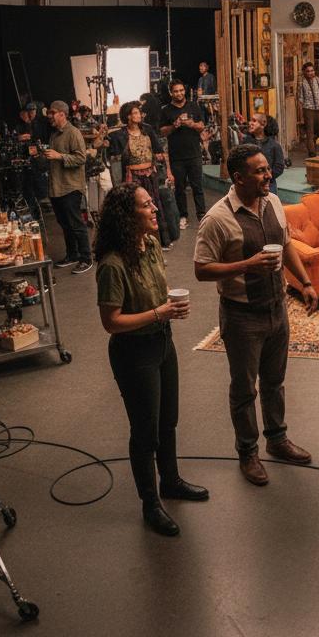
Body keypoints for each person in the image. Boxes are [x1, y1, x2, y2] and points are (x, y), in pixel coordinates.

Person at [193, 144, 318, 487]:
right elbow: (201, 269)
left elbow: (287, 245)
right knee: (245, 388)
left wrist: (305, 282)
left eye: (267, 169)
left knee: (274, 382)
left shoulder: (273, 202)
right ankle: (248, 452)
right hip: (242, 316)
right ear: (238, 178)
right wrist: (246, 265)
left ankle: (277, 439)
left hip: (277, 307)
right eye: (260, 171)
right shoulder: (217, 219)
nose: (269, 174)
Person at [95, 184, 208, 537]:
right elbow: (112, 322)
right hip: (134, 352)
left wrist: (167, 310)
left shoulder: (152, 245)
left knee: (167, 421)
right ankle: (150, 504)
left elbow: (155, 294)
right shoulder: (112, 264)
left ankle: (170, 481)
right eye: (146, 205)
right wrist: (161, 312)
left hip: (162, 342)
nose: (155, 209)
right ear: (128, 216)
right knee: (145, 431)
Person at [37, 100, 92, 274]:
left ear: (62, 114)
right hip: (57, 187)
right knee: (64, 223)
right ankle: (72, 254)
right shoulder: (54, 134)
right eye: (49, 113)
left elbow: (81, 158)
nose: (49, 116)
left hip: (70, 187)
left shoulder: (73, 133)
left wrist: (59, 156)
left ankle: (86, 258)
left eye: (52, 112)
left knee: (76, 223)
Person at [109, 102, 173, 247]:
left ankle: (159, 240)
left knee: (154, 205)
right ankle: (136, 241)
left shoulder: (147, 130)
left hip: (150, 175)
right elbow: (114, 155)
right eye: (135, 113)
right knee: (135, 208)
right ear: (128, 116)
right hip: (133, 176)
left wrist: (167, 170)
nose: (139, 115)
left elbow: (160, 150)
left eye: (139, 112)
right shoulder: (120, 135)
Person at [160, 80, 206, 229]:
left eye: (181, 90)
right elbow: (162, 131)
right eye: (176, 91)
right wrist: (174, 125)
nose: (179, 93)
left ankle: (202, 216)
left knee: (198, 187)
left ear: (184, 91)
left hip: (194, 154)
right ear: (171, 93)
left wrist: (192, 124)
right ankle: (183, 216)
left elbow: (202, 126)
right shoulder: (166, 110)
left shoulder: (193, 106)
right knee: (179, 189)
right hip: (176, 156)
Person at [241, 113, 285, 193]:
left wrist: (266, 176)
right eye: (250, 120)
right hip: (250, 185)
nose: (250, 123)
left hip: (269, 186)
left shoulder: (274, 145)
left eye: (254, 121)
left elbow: (279, 166)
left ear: (263, 124)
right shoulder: (245, 143)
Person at [297, 62, 319, 157]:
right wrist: (301, 115)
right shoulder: (302, 83)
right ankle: (312, 152)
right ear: (304, 72)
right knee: (310, 131)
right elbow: (300, 99)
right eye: (308, 71)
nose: (310, 73)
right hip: (308, 109)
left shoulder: (317, 80)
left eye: (312, 70)